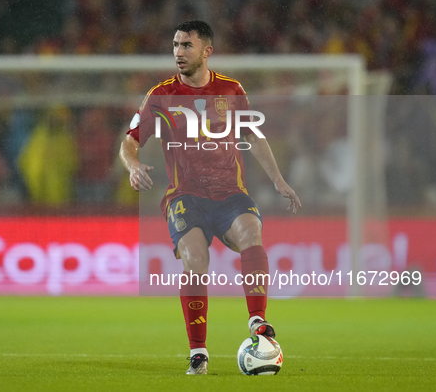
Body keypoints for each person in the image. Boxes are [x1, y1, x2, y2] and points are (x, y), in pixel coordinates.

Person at [119, 20, 301, 375]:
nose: (178, 52)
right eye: (175, 45)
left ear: (207, 51)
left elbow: (255, 135)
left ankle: (258, 323)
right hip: (184, 196)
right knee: (196, 258)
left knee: (251, 232)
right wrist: (133, 165)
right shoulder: (160, 96)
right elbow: (129, 142)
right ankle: (198, 353)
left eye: (187, 45)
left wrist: (278, 179)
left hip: (230, 192)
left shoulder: (231, 91)